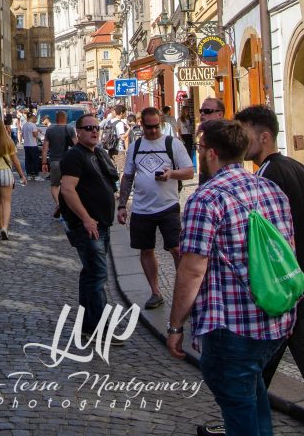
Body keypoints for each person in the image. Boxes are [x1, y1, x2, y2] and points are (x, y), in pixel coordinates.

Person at [167, 119, 296, 436]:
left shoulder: (206, 199)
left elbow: (193, 269)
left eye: (199, 149)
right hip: (274, 318)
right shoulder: (272, 190)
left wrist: (176, 324)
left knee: (238, 407)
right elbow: (286, 254)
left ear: (211, 153)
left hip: (232, 327)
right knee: (253, 394)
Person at [117, 105, 194, 309]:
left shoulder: (172, 144)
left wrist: (171, 174)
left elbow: (189, 172)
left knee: (177, 249)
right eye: (149, 127)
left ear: (161, 124)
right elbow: (128, 176)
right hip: (142, 208)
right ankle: (155, 292)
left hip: (168, 206)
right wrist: (122, 204)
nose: (152, 131)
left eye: (156, 127)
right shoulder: (136, 146)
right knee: (146, 250)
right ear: (142, 125)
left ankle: (183, 291)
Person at [59, 113, 119, 333]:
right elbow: (67, 189)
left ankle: (87, 324)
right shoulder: (75, 156)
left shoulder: (98, 153)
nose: (94, 131)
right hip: (88, 225)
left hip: (101, 223)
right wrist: (86, 219)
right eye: (88, 128)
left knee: (90, 274)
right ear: (79, 132)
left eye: (96, 127)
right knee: (97, 275)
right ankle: (101, 328)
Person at [41, 109, 77, 218]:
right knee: (68, 186)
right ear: (65, 119)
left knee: (54, 186)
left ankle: (58, 204)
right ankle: (68, 206)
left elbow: (45, 148)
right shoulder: (69, 128)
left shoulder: (50, 130)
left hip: (54, 161)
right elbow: (76, 145)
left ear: (56, 119)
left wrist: (44, 163)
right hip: (67, 162)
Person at [196, 97, 225, 184]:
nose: (202, 114)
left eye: (207, 111)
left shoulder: (226, 135)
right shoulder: (203, 134)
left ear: (220, 114)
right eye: (201, 111)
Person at [21, 110, 40, 180]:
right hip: (33, 145)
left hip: (26, 145)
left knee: (28, 160)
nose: (35, 119)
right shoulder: (33, 125)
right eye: (35, 118)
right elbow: (34, 135)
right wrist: (37, 134)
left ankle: (29, 174)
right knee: (35, 160)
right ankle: (36, 174)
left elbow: (22, 135)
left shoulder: (24, 125)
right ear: (31, 118)